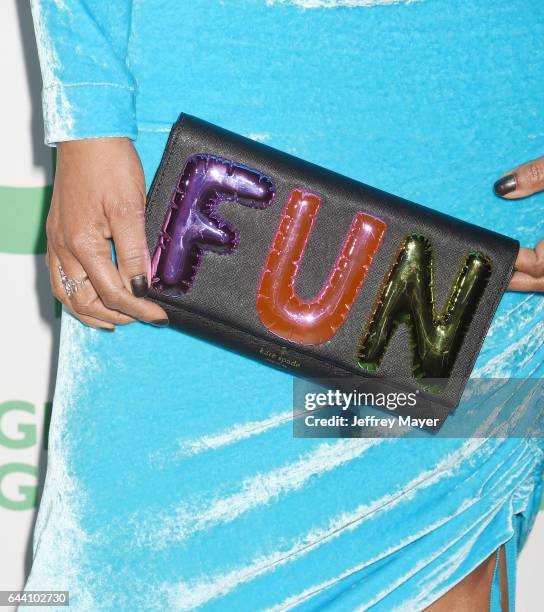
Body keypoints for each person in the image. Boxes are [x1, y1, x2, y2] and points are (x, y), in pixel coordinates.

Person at [24, 1, 544, 610]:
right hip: (203, 117)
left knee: (439, 568)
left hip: (477, 156)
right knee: (133, 562)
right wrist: (86, 111)